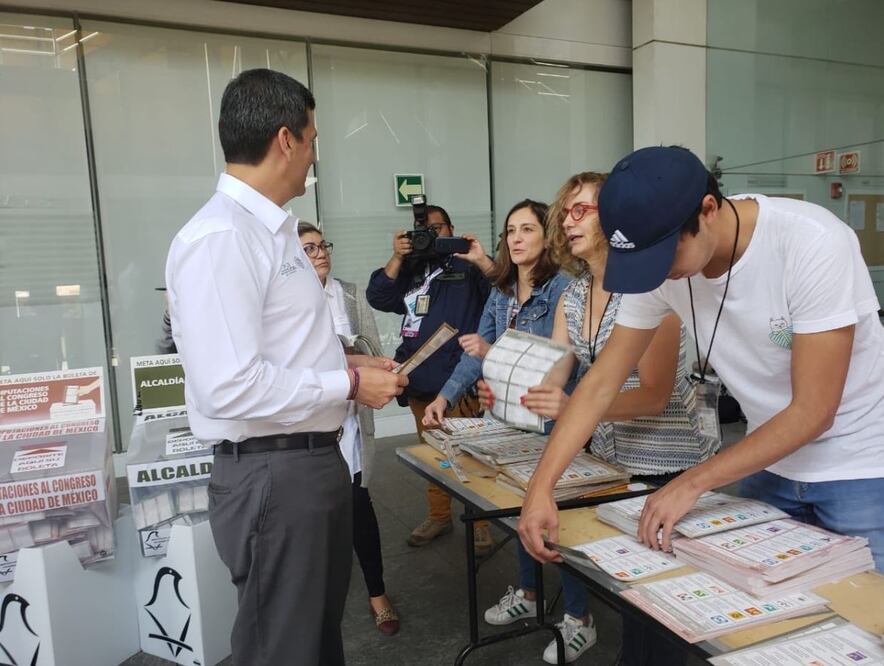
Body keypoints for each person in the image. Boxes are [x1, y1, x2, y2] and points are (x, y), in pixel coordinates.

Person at [519, 146, 884, 581]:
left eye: (664, 257)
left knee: (864, 623)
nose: (657, 275)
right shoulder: (658, 263)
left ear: (708, 210)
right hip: (767, 460)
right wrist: (541, 489)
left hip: (860, 466)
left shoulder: (812, 242)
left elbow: (814, 410)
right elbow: (599, 384)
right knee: (762, 618)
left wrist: (693, 481)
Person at [165, 69, 407, 666]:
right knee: (283, 648)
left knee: (314, 642)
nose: (315, 155)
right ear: (285, 140)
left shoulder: (271, 233)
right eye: (314, 138)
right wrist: (348, 382)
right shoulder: (222, 238)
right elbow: (230, 386)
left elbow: (281, 348)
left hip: (307, 464)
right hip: (274, 475)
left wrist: (347, 361)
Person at [478, 173, 715, 664]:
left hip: (663, 464)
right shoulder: (576, 295)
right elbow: (558, 371)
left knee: (662, 606)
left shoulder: (653, 288)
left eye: (581, 209)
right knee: (634, 602)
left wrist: (571, 405)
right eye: (566, 211)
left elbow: (652, 396)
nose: (568, 219)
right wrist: (507, 389)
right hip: (611, 461)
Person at [366, 205, 494, 552]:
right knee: (433, 454)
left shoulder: (470, 265)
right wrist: (397, 257)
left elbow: (505, 289)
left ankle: (480, 521)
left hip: (459, 380)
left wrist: (478, 258)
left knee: (469, 455)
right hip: (419, 379)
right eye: (424, 228)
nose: (432, 234)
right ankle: (439, 515)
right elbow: (378, 295)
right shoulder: (413, 269)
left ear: (452, 229)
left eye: (438, 228)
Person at [298, 221, 400, 636]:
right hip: (311, 422)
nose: (321, 253)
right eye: (309, 249)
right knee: (314, 518)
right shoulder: (288, 302)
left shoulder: (350, 293)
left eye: (323, 246)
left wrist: (356, 353)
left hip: (353, 416)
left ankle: (378, 595)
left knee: (360, 507)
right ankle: (316, 601)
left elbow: (374, 349)